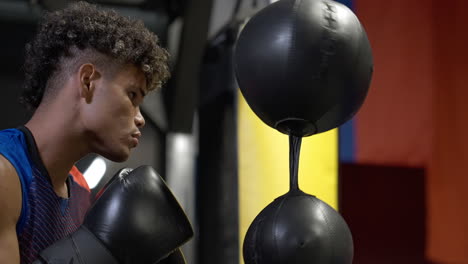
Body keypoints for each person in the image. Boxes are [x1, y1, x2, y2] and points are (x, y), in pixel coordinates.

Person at [0, 1, 170, 263]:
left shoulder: (80, 190)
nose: (140, 119)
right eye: (132, 95)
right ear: (87, 81)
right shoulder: (6, 174)